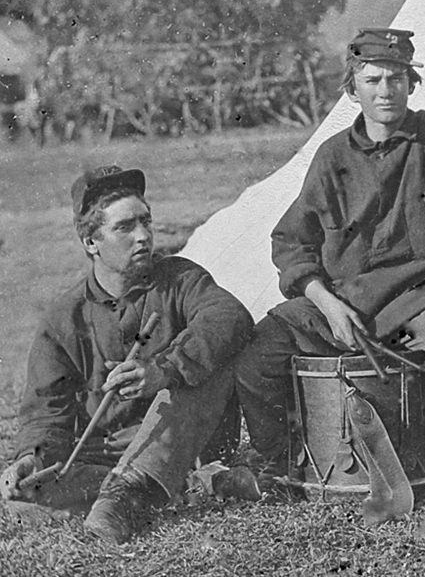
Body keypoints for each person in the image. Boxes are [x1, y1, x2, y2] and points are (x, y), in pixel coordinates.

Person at [235, 28, 425, 476]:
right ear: (352, 89)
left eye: (396, 79)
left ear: (411, 84)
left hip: (419, 298)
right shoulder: (333, 157)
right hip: (343, 299)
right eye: (372, 80)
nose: (386, 91)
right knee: (256, 359)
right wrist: (327, 304)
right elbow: (292, 242)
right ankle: (277, 459)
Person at [0, 166, 254, 542]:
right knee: (24, 497)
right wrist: (31, 457)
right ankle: (187, 488)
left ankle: (141, 491)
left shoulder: (180, 279)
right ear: (91, 242)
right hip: (104, 460)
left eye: (146, 223)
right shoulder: (63, 319)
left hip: (184, 444)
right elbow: (46, 412)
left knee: (201, 369)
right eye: (125, 228)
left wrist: (163, 369)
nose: (143, 237)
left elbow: (230, 317)